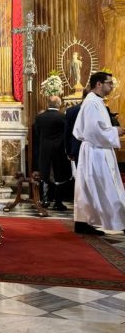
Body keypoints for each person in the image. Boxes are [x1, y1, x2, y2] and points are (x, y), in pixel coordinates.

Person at [73, 71, 125, 235]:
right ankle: (119, 221)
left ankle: (83, 222)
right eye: (109, 83)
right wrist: (115, 131)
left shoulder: (96, 101)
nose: (112, 86)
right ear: (99, 84)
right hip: (96, 151)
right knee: (106, 185)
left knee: (91, 188)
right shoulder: (92, 103)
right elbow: (93, 130)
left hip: (97, 149)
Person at [34, 96, 72, 211]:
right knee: (59, 175)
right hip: (59, 150)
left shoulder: (40, 117)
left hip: (44, 149)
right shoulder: (63, 117)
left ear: (48, 104)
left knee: (44, 174)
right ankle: (58, 202)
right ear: (59, 104)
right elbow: (67, 134)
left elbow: (37, 134)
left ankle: (45, 200)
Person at [64, 89, 89, 165]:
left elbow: (67, 132)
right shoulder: (99, 109)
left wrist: (69, 151)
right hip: (95, 147)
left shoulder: (71, 111)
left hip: (77, 147)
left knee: (80, 175)